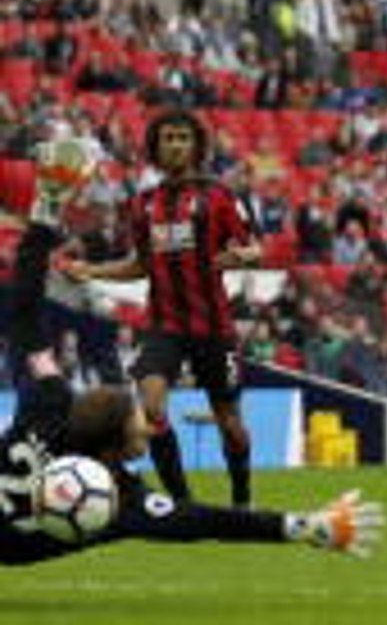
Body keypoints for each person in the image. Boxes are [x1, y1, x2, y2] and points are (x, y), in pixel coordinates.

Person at [1, 164, 383, 565]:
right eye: (138, 423)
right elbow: (204, 521)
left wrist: (47, 209)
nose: (148, 426)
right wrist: (302, 527)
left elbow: (23, 313)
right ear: (114, 444)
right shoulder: (120, 502)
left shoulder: (47, 402)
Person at [62, 109, 261, 507]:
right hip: (164, 325)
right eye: (168, 138)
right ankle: (183, 503)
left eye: (183, 138)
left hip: (214, 326)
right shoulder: (142, 204)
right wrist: (92, 270)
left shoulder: (219, 196)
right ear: (155, 146)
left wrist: (244, 256)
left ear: (196, 146)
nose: (175, 145)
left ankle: (242, 499)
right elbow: (140, 265)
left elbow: (255, 248)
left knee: (231, 426)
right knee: (152, 411)